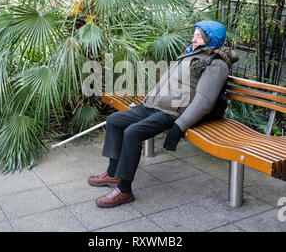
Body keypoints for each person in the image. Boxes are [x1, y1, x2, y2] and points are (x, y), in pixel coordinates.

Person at [87, 20, 238, 208]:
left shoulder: (216, 64)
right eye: (195, 33)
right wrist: (146, 102)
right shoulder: (190, 54)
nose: (194, 37)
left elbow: (204, 101)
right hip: (155, 105)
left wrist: (179, 126)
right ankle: (113, 174)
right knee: (115, 120)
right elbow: (165, 83)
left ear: (210, 38)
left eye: (199, 35)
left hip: (174, 112)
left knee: (132, 132)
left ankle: (124, 190)